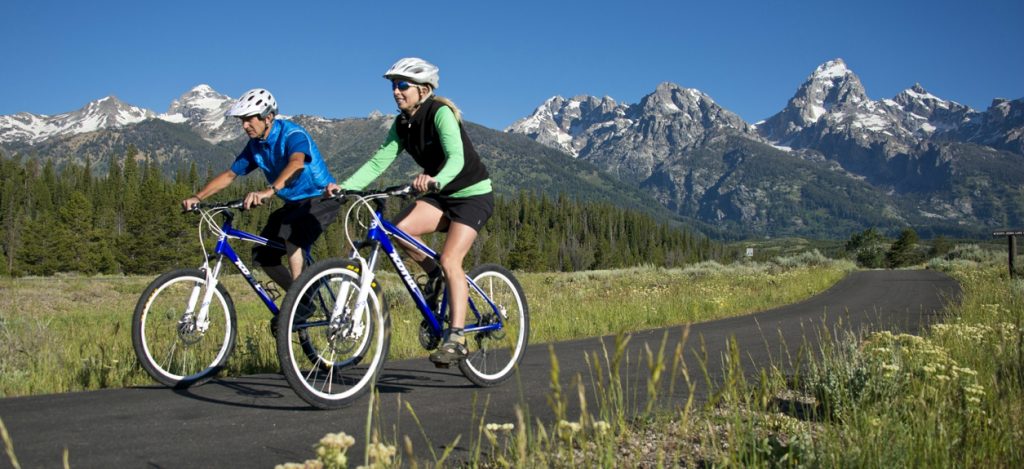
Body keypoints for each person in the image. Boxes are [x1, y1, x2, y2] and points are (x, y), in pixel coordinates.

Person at [339, 57, 494, 365]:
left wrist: (435, 180)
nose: (396, 91)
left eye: (403, 85)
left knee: (452, 259)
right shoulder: (401, 124)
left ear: (423, 89)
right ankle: (434, 274)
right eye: (394, 86)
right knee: (398, 230)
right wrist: (343, 187)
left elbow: (457, 158)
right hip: (441, 194)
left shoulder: (440, 113)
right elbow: (378, 161)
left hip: (471, 195)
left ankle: (457, 337)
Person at [182, 88, 340, 295]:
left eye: (249, 119)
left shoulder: (292, 134)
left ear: (268, 117)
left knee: (291, 235)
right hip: (293, 203)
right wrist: (198, 197)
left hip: (321, 197)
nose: (245, 125)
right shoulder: (255, 146)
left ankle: (297, 301)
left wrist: (269, 191)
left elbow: (297, 163)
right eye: (242, 121)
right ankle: (301, 302)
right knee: (264, 254)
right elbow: (230, 175)